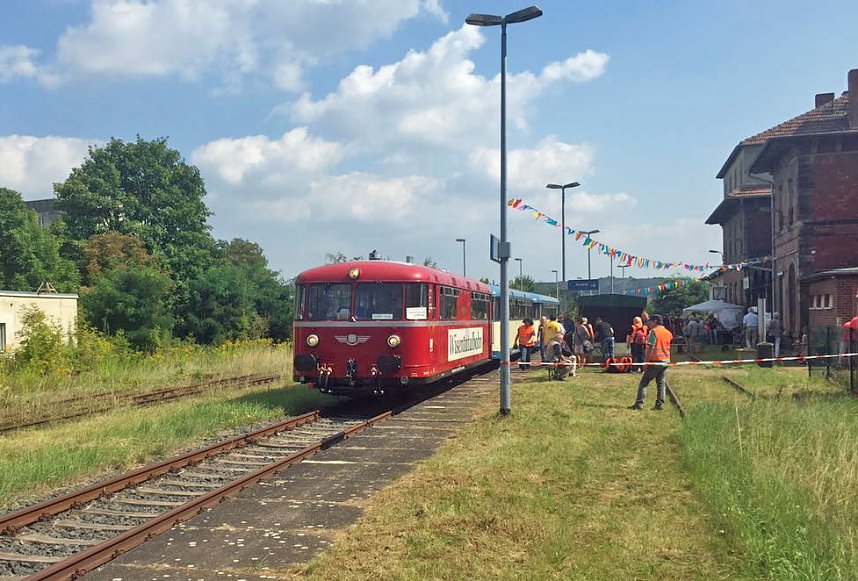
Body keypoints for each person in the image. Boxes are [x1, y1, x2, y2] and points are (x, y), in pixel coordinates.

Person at [630, 314, 673, 410]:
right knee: (661, 383)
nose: (649, 323)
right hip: (665, 361)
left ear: (655, 322)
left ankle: (639, 404)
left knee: (644, 383)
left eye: (650, 321)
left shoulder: (654, 332)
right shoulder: (668, 333)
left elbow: (650, 348)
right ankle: (660, 405)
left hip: (654, 361)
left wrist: (646, 362)